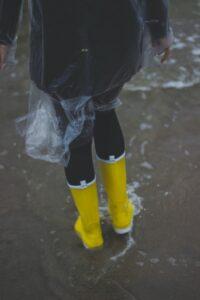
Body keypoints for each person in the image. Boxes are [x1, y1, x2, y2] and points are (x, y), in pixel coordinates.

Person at [0, 0, 173, 250]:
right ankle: (121, 213)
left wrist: (4, 37)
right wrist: (160, 29)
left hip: (59, 41)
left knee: (75, 135)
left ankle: (91, 229)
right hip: (118, 33)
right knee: (105, 111)